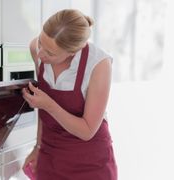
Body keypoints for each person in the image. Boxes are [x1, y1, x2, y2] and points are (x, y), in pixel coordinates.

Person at [22, 9, 117, 179]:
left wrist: (48, 104)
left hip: (90, 163)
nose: (41, 53)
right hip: (50, 156)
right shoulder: (36, 48)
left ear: (74, 51)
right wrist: (38, 147)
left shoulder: (99, 64)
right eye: (41, 43)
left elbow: (87, 131)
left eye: (50, 53)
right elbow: (42, 109)